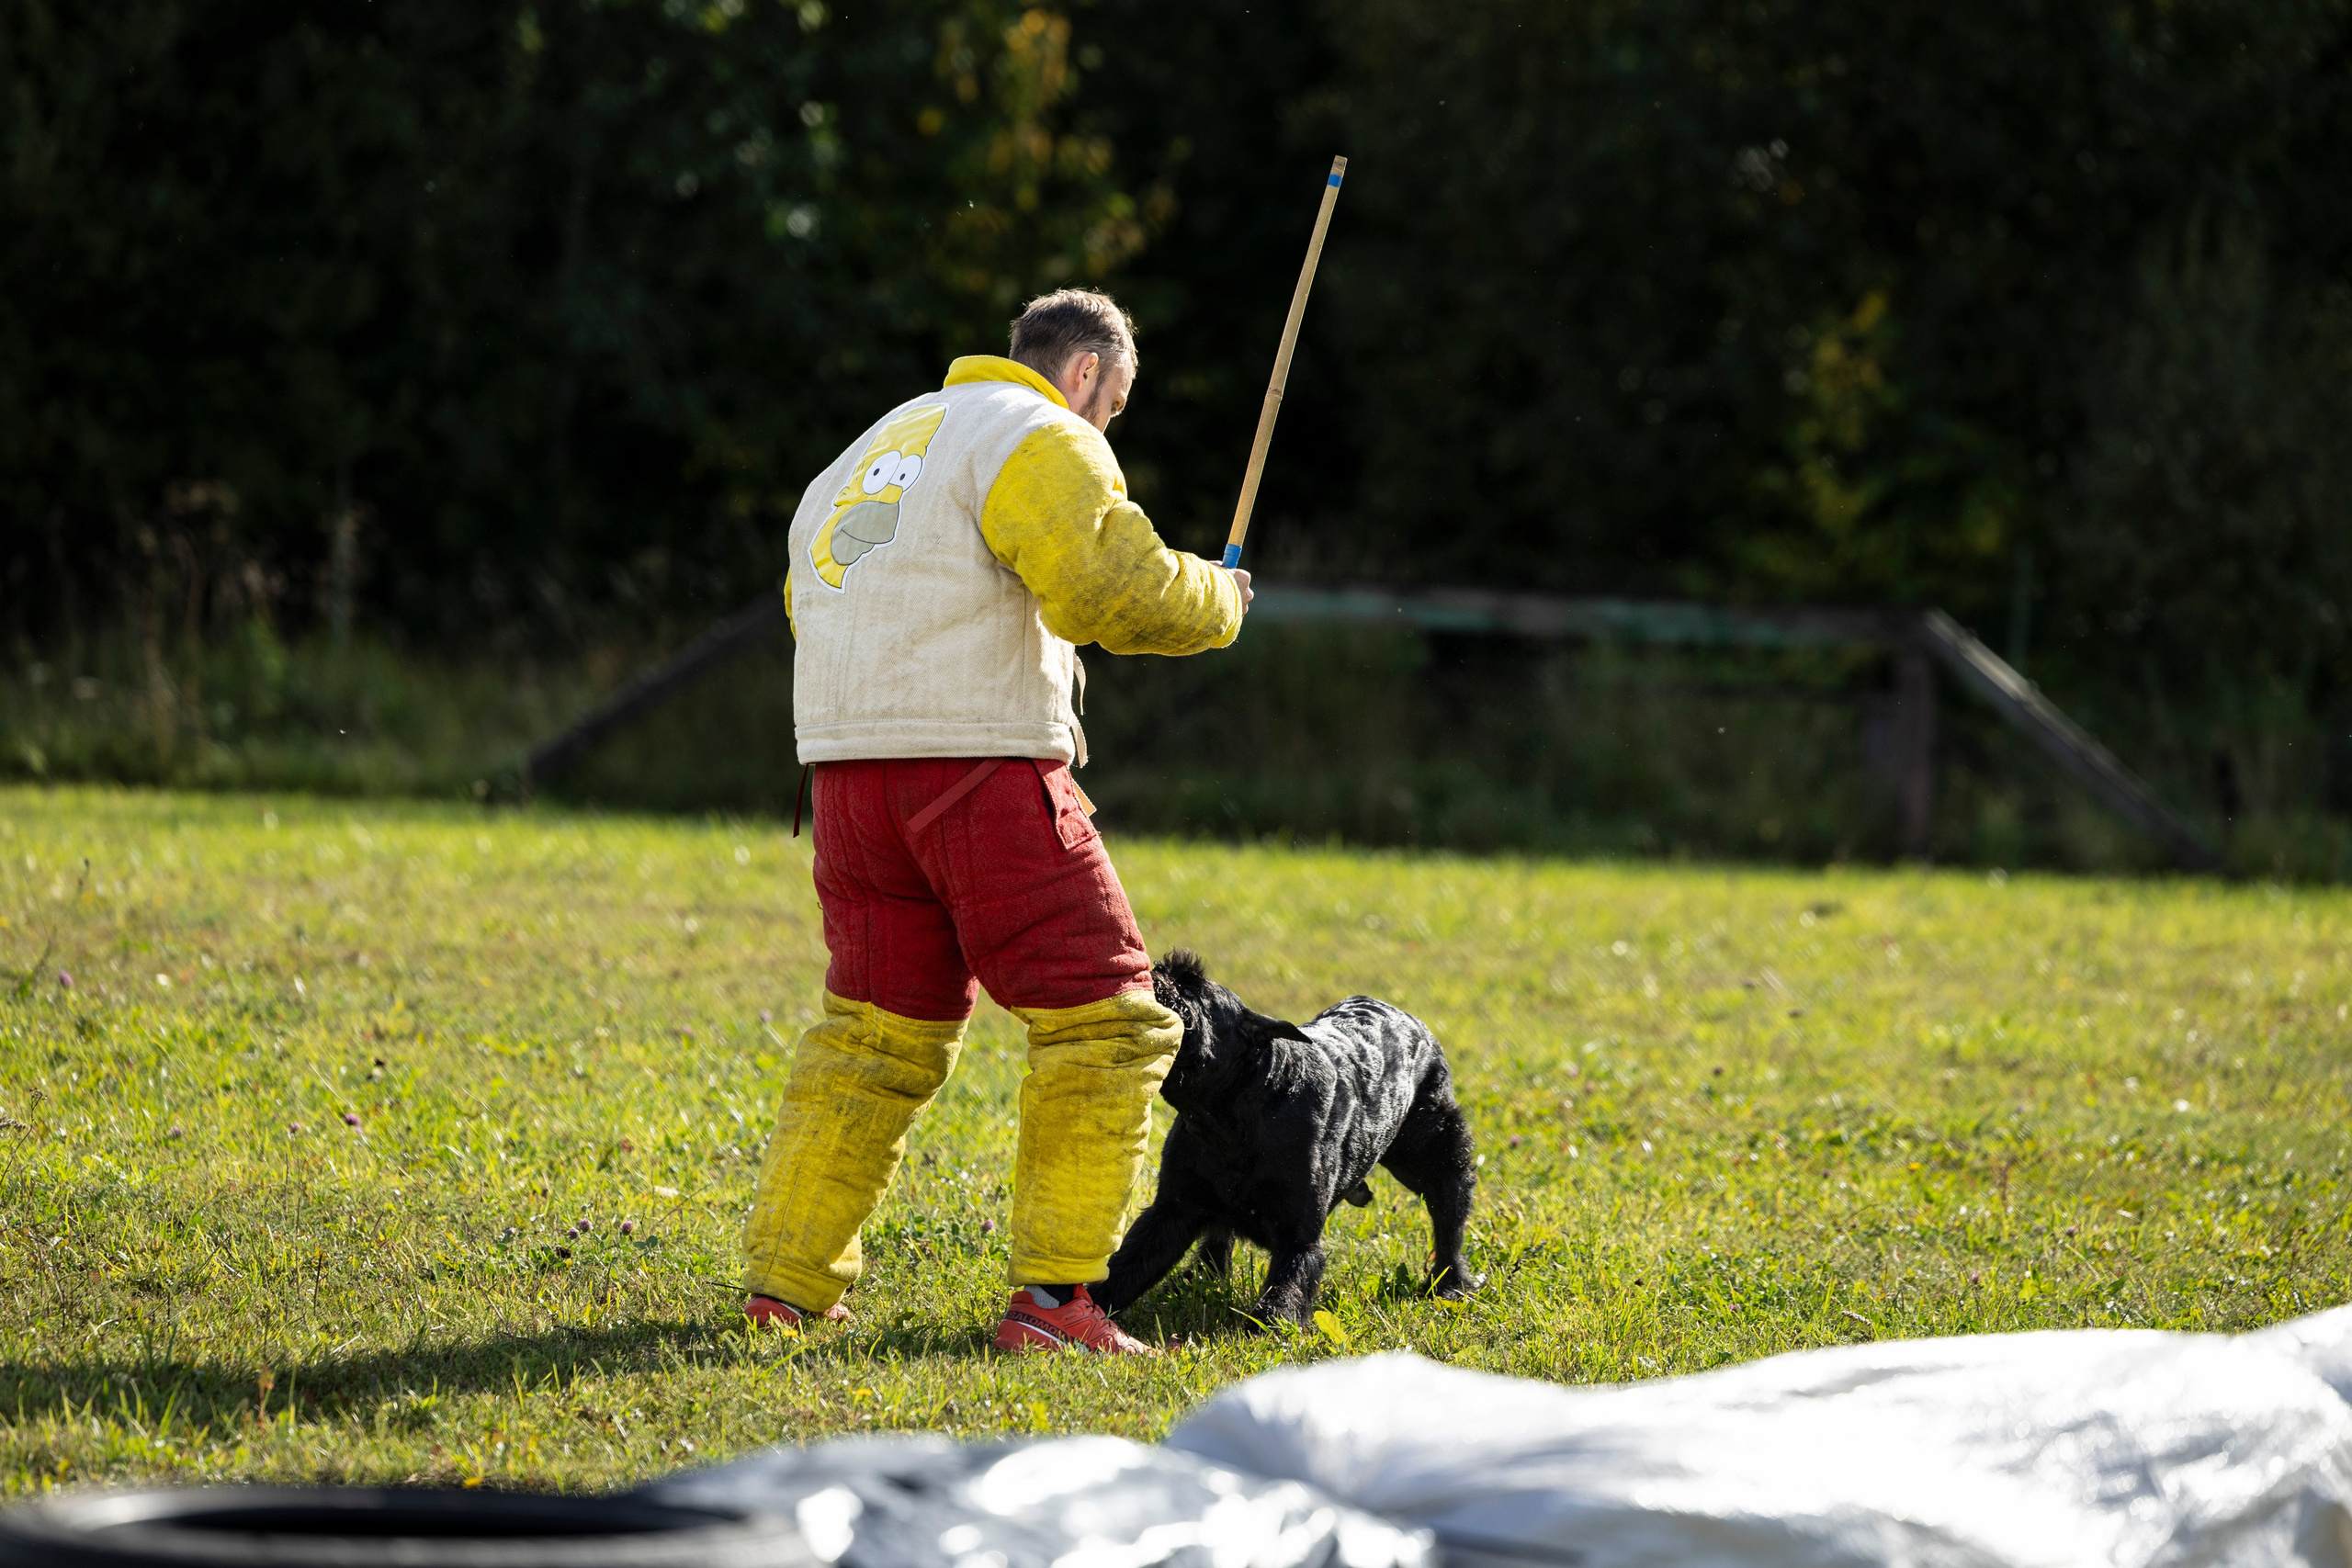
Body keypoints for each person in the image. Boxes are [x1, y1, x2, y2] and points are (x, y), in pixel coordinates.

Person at [740, 288, 1250, 1355]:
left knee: (873, 1033)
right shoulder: (1040, 433)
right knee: (1107, 1021)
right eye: (1113, 405)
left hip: (842, 782)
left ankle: (786, 1288)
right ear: (1082, 376)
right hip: (976, 772)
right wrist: (1217, 597)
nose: (1105, 426)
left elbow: (814, 603)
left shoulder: (871, 446)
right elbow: (1105, 587)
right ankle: (1056, 1303)